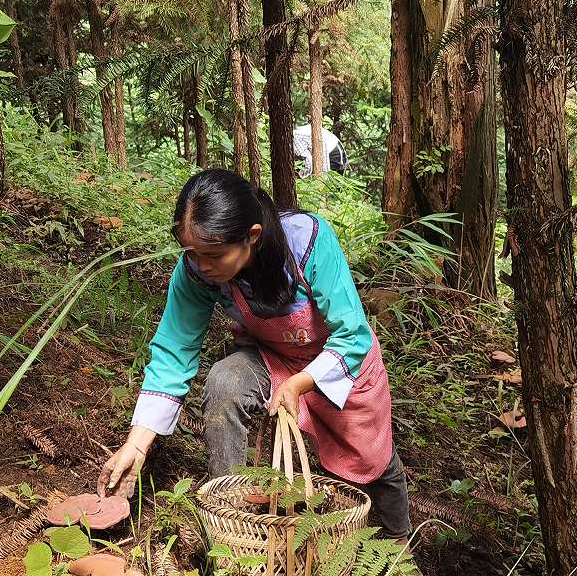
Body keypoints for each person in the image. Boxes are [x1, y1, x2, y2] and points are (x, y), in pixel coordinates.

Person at [99, 168, 410, 536]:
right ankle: (229, 520)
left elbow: (352, 333)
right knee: (225, 383)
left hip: (341, 358)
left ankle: (396, 546)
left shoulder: (307, 240)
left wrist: (300, 383)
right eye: (192, 254)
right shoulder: (198, 270)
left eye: (213, 255)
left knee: (371, 455)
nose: (201, 266)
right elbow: (174, 347)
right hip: (273, 356)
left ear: (252, 236)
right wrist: (137, 444)